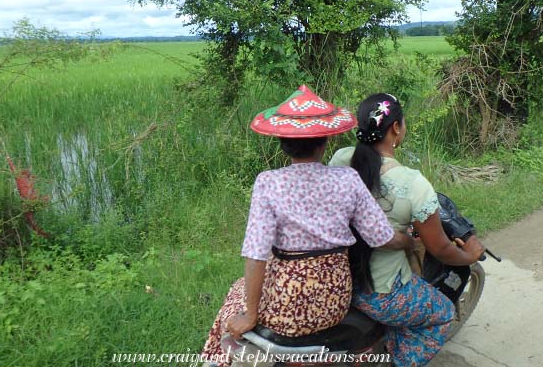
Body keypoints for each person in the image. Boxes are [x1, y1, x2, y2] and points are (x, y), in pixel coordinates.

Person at [201, 86, 414, 366]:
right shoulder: (347, 178)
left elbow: (256, 253)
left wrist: (250, 314)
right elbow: (382, 237)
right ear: (324, 142)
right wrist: (409, 241)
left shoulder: (269, 182)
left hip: (285, 303)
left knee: (235, 295)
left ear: (282, 141)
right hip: (333, 299)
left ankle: (215, 362)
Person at [329, 93, 485, 367]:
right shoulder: (412, 183)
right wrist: (469, 256)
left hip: (339, 277)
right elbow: (441, 249)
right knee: (443, 312)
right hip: (381, 293)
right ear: (396, 128)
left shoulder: (342, 159)